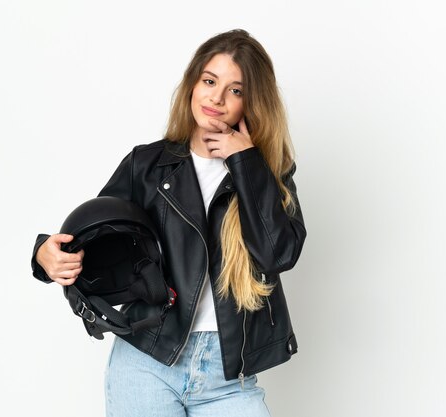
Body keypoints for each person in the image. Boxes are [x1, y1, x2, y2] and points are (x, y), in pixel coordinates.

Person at [31, 28, 306, 417]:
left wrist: (245, 164)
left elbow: (278, 255)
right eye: (210, 81)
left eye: (236, 90)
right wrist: (45, 253)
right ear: (193, 84)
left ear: (252, 102)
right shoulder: (146, 165)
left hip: (228, 378)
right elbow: (92, 236)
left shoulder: (269, 172)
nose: (216, 97)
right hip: (148, 362)